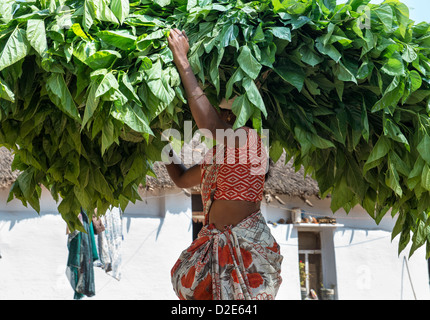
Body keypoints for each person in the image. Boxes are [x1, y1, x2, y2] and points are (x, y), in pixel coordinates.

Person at [165, 28, 283, 300]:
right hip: (216, 252)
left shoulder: (249, 140)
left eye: (219, 110)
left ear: (231, 117)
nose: (214, 113)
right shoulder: (215, 159)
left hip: (245, 254)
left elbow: (207, 124)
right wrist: (160, 145)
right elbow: (182, 179)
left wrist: (183, 60)